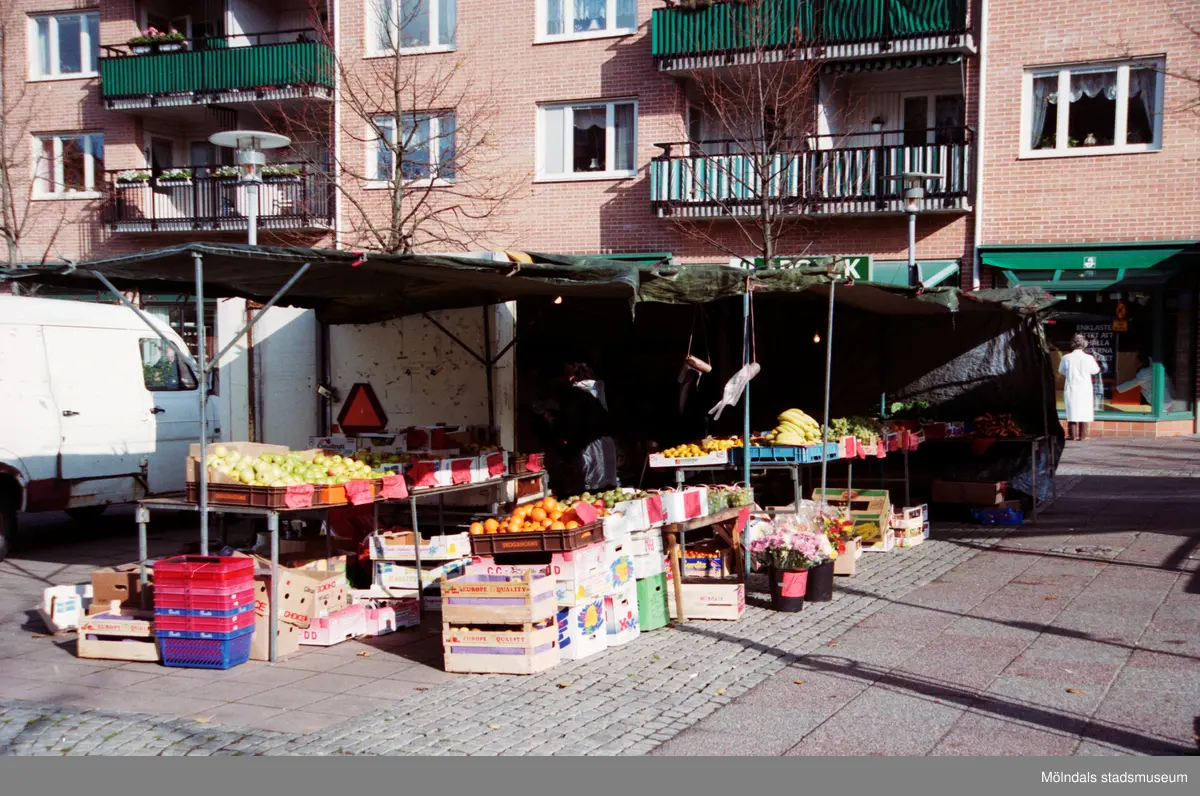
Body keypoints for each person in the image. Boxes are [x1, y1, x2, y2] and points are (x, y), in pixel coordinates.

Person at [547, 362, 618, 496]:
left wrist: (552, 421)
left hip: (587, 449)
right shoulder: (602, 389)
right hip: (607, 447)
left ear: (571, 377)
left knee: (588, 492)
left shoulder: (575, 394)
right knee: (607, 493)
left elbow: (567, 426)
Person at [1060, 335, 1100, 441]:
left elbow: (1062, 371)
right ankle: (1083, 435)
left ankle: (1071, 434)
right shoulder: (1089, 358)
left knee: (1072, 410)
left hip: (1071, 386)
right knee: (1084, 410)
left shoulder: (1066, 357)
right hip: (1085, 387)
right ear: (1084, 344)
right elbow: (1095, 370)